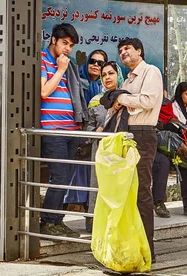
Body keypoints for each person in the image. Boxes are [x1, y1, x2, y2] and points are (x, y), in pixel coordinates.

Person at [115, 38, 163, 259]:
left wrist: (122, 98)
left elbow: (148, 100)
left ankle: (147, 250)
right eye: (120, 50)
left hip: (143, 135)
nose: (123, 52)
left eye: (127, 49)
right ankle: (131, 247)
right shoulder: (127, 80)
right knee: (127, 193)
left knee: (142, 192)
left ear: (139, 51)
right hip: (126, 135)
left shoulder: (150, 72)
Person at [39, 23, 87, 237]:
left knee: (66, 178)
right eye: (64, 43)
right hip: (53, 129)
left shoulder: (69, 65)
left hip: (71, 128)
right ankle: (47, 221)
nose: (68, 48)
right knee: (58, 176)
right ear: (53, 41)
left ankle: (57, 221)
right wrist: (59, 70)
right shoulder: (43, 60)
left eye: (71, 45)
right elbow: (44, 92)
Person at [65, 49, 109, 211]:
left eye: (101, 63)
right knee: (76, 174)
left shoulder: (104, 87)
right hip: (80, 135)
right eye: (93, 61)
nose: (96, 65)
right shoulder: (77, 81)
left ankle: (89, 210)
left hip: (98, 138)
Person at [84, 60, 124, 231]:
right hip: (100, 148)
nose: (107, 77)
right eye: (104, 74)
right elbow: (87, 127)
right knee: (97, 184)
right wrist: (98, 130)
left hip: (121, 150)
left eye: (111, 73)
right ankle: (94, 221)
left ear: (118, 76)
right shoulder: (95, 101)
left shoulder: (126, 97)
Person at [152, 83, 187, 218]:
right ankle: (158, 203)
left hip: (174, 143)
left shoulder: (168, 105)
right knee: (162, 163)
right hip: (156, 143)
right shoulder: (153, 104)